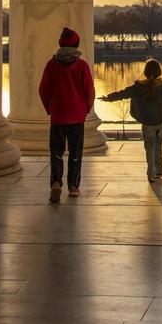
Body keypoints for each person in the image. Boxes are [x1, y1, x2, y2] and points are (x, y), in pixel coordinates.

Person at [101, 59, 162, 182]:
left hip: (147, 123)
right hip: (159, 121)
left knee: (149, 148)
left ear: (145, 72)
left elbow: (123, 93)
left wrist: (109, 98)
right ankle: (159, 170)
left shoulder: (137, 88)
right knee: (158, 147)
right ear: (159, 72)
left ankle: (151, 173)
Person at [37, 26, 95, 203]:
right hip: (76, 116)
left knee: (56, 152)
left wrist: (50, 108)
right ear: (77, 44)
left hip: (58, 116)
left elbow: (43, 90)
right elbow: (89, 91)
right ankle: (73, 187)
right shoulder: (82, 66)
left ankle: (56, 183)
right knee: (75, 152)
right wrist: (85, 109)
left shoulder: (51, 65)